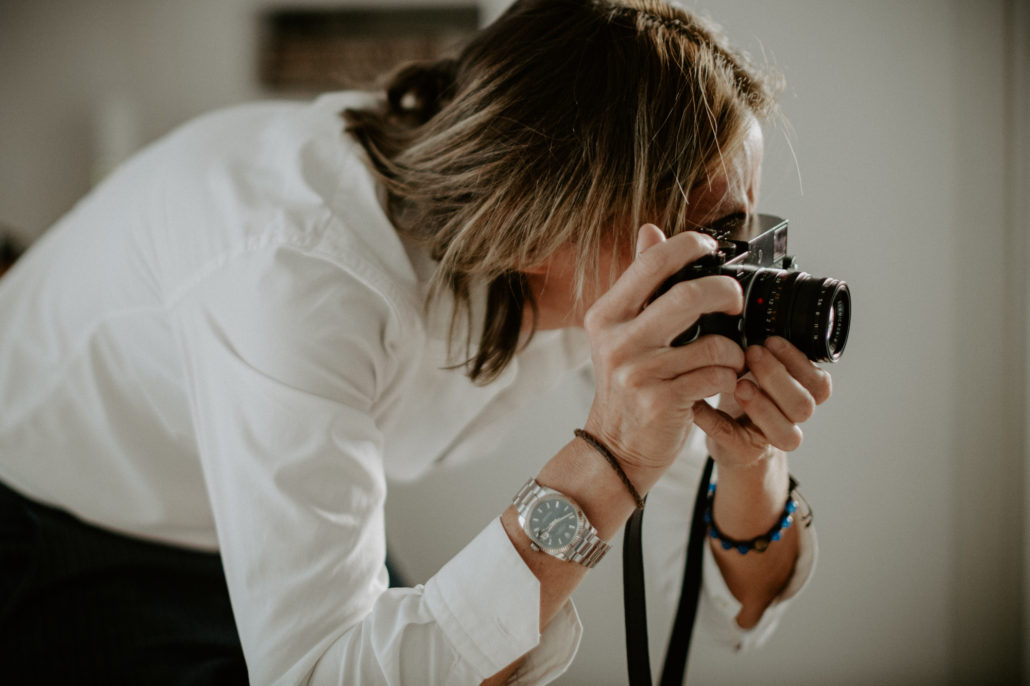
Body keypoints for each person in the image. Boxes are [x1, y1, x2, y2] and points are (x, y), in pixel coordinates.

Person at [0, 0, 830, 683]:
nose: (728, 269)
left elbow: (732, 613)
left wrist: (748, 456)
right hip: (67, 525)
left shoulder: (603, 269)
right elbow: (321, 675)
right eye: (706, 234)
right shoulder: (301, 276)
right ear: (538, 223)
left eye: (741, 231)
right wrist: (614, 456)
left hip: (258, 509)